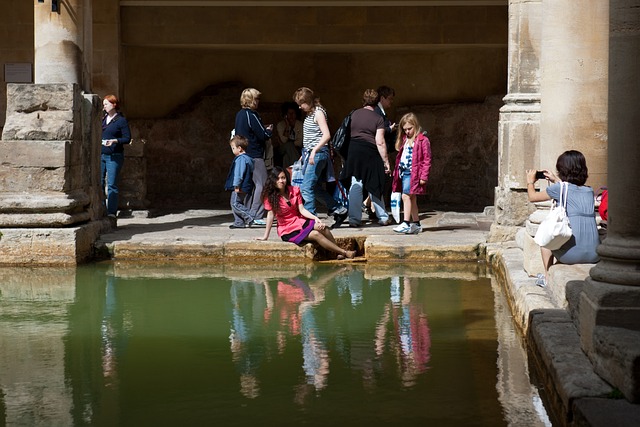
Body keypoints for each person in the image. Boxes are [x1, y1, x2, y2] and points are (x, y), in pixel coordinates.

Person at [526, 150, 600, 287]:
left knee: (545, 241)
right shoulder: (589, 190)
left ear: (562, 170)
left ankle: (548, 277)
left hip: (571, 256)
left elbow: (532, 197)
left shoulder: (559, 188)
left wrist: (530, 182)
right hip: (594, 254)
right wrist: (556, 180)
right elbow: (571, 190)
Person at [256, 167, 356, 260]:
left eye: (283, 178)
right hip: (287, 230)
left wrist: (316, 219)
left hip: (299, 222)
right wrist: (265, 236)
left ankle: (337, 252)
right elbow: (270, 215)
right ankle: (344, 252)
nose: (281, 181)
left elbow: (302, 210)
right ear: (273, 181)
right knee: (316, 234)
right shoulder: (270, 197)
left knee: (323, 228)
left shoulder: (294, 190)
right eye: (277, 179)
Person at [293, 87, 347, 225]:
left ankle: (311, 220)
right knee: (315, 188)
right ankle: (339, 209)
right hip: (310, 153)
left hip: (317, 154)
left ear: (309, 101)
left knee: (306, 187)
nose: (299, 107)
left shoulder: (318, 113)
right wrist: (303, 155)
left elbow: (327, 135)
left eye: (301, 103)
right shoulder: (310, 114)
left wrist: (314, 150)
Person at [341, 89, 392, 227]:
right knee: (374, 183)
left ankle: (354, 219)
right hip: (370, 151)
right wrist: (386, 161)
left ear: (363, 100)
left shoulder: (354, 114)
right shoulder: (378, 118)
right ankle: (383, 217)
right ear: (377, 102)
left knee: (356, 184)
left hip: (354, 150)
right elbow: (380, 142)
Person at [234, 88, 273, 226]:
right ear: (250, 100)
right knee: (263, 185)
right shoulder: (252, 115)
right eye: (256, 99)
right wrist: (268, 131)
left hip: (244, 154)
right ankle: (254, 214)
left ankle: (247, 214)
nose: (258, 102)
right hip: (255, 154)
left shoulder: (239, 115)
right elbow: (263, 135)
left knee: (251, 186)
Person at [391, 113, 432, 234]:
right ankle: (416, 223)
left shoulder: (423, 140)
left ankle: (406, 223)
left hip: (412, 173)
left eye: (410, 128)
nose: (407, 132)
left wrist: (424, 176)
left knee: (406, 196)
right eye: (405, 130)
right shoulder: (405, 140)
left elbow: (427, 159)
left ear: (416, 126)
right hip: (403, 172)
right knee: (412, 198)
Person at [101, 94, 131, 224]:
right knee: (99, 183)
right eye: (103, 104)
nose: (104, 106)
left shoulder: (121, 120)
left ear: (113, 105)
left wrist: (115, 141)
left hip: (114, 156)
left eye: (106, 104)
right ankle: (101, 210)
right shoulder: (103, 119)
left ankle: (111, 213)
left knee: (112, 184)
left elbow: (127, 138)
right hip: (102, 155)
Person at [224, 135, 256, 229]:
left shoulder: (241, 159)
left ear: (239, 148)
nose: (232, 150)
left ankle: (250, 217)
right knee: (237, 203)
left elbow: (239, 173)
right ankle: (239, 222)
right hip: (246, 185)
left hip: (240, 186)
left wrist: (237, 185)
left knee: (235, 204)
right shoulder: (248, 159)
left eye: (233, 148)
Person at [276, 102, 303, 169]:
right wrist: (287, 126)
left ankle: (288, 175)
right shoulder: (280, 125)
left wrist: (291, 143)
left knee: (286, 157)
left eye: (293, 113)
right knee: (289, 145)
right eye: (289, 113)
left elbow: (300, 142)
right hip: (282, 148)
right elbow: (284, 141)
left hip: (297, 149)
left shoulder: (300, 124)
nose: (291, 115)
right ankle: (298, 168)